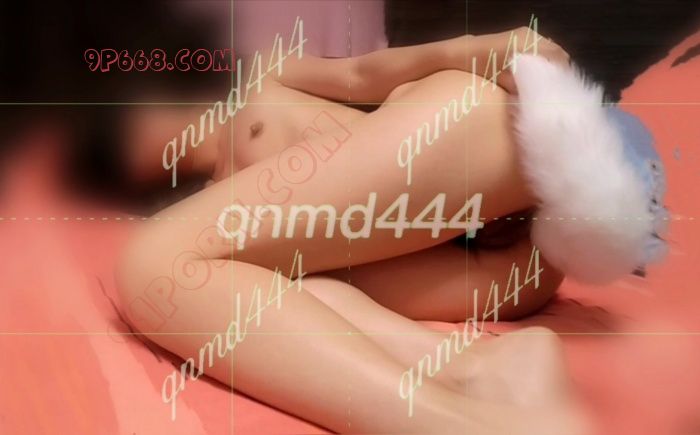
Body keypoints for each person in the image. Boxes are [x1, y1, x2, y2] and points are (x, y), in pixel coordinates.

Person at [116, 28, 589, 434]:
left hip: (470, 135)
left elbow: (363, 74)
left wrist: (487, 48)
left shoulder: (256, 77)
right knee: (281, 288)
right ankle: (476, 370)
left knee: (158, 269)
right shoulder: (217, 218)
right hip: (509, 267)